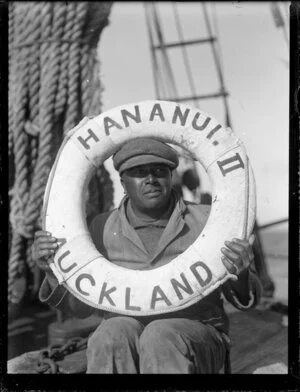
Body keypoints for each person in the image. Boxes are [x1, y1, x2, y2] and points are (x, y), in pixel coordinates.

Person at [32, 137, 262, 374]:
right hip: (125, 332)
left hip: (198, 332)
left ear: (171, 176)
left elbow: (244, 300)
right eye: (139, 172)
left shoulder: (207, 221)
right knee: (110, 334)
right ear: (123, 181)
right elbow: (81, 308)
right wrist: (53, 270)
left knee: (160, 334)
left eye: (159, 171)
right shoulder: (99, 229)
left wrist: (241, 272)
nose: (151, 179)